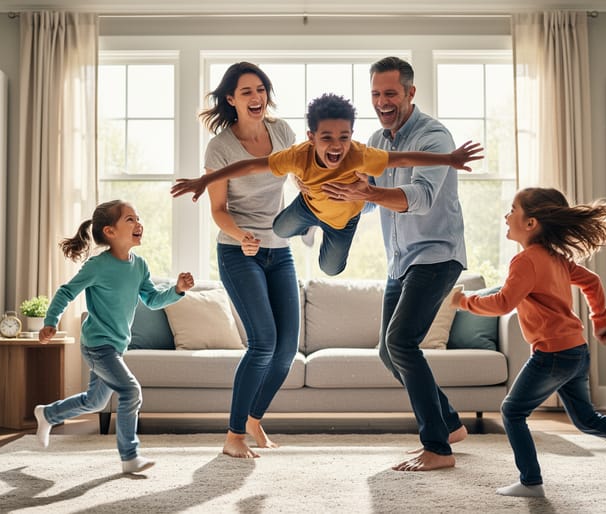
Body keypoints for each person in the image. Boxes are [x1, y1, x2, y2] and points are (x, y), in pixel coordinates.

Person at [451, 187, 606, 497]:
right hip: (575, 350)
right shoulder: (554, 258)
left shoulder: (525, 261)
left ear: (530, 223)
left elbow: (503, 303)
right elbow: (592, 282)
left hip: (553, 354)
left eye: (512, 210)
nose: (506, 216)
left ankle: (531, 482)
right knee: (587, 419)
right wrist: (600, 320)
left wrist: (464, 301)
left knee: (513, 412)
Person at [321, 56, 475, 471]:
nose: (382, 102)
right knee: (389, 353)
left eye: (390, 93)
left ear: (410, 92)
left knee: (402, 343)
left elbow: (421, 198)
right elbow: (373, 201)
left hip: (437, 255)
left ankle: (437, 449)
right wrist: (351, 193)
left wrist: (369, 194)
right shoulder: (377, 140)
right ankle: (450, 425)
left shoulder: (434, 138)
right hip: (401, 261)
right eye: (375, 94)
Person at [172, 92, 482, 276]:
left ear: (352, 136)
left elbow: (402, 159)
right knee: (279, 229)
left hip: (343, 221)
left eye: (344, 137)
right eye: (327, 138)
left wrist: (449, 159)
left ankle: (319, 231)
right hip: (309, 207)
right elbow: (252, 165)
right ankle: (309, 226)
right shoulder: (298, 155)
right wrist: (207, 178)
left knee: (331, 269)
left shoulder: (360, 154)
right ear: (311, 137)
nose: (336, 146)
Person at [33, 200, 195, 474]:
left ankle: (47, 413)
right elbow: (66, 292)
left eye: (138, 218)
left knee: (95, 401)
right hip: (97, 346)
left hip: (116, 347)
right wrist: (50, 322)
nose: (138, 223)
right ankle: (129, 456)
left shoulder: (139, 265)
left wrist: (177, 290)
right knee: (131, 391)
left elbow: (153, 300)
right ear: (109, 231)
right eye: (130, 219)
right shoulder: (98, 266)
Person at [199, 62, 300, 459]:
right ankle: (234, 435)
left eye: (260, 89)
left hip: (279, 249)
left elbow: (301, 178)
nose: (256, 97)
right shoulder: (220, 148)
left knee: (286, 350)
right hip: (238, 251)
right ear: (231, 99)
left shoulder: (283, 132)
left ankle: (255, 418)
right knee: (263, 343)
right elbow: (218, 209)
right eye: (246, 92)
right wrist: (242, 235)